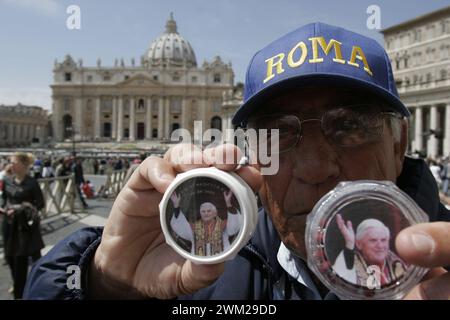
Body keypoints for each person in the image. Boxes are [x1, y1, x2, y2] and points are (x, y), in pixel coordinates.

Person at [24, 22, 450, 300]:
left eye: (352, 125)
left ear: (400, 144)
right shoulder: (200, 272)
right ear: (251, 154)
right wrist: (105, 284)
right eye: (279, 134)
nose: (316, 168)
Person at [1, 152, 45, 299]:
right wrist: (3, 207)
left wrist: (23, 207)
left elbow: (40, 204)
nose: (11, 164)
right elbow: (4, 199)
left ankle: (20, 293)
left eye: (14, 162)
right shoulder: (7, 180)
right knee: (9, 258)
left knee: (20, 261)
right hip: (9, 225)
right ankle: (19, 285)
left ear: (24, 165)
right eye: (10, 162)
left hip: (24, 228)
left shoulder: (32, 183)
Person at [332, 215, 406, 287]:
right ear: (359, 244)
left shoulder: (396, 263)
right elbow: (341, 279)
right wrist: (350, 244)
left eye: (383, 240)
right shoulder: (350, 263)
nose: (380, 246)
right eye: (373, 240)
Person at [169, 190, 241, 256]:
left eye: (209, 211)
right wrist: (176, 206)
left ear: (215, 213)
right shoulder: (193, 227)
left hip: (224, 260)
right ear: (200, 214)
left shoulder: (223, 224)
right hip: (198, 263)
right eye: (203, 211)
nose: (206, 213)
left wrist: (228, 204)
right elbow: (180, 226)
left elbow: (234, 227)